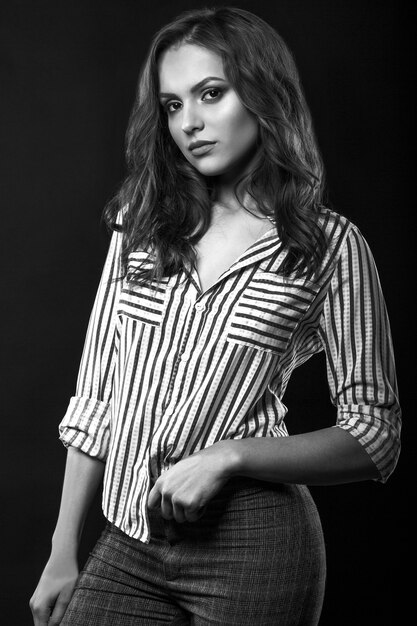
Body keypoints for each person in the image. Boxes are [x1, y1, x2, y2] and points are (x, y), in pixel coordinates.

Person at [30, 6, 401, 626]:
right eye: (173, 106)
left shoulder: (328, 246)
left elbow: (376, 434)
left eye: (211, 94)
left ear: (262, 94)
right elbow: (96, 399)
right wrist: (61, 549)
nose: (190, 124)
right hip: (130, 539)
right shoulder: (142, 226)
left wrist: (230, 455)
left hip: (255, 547)